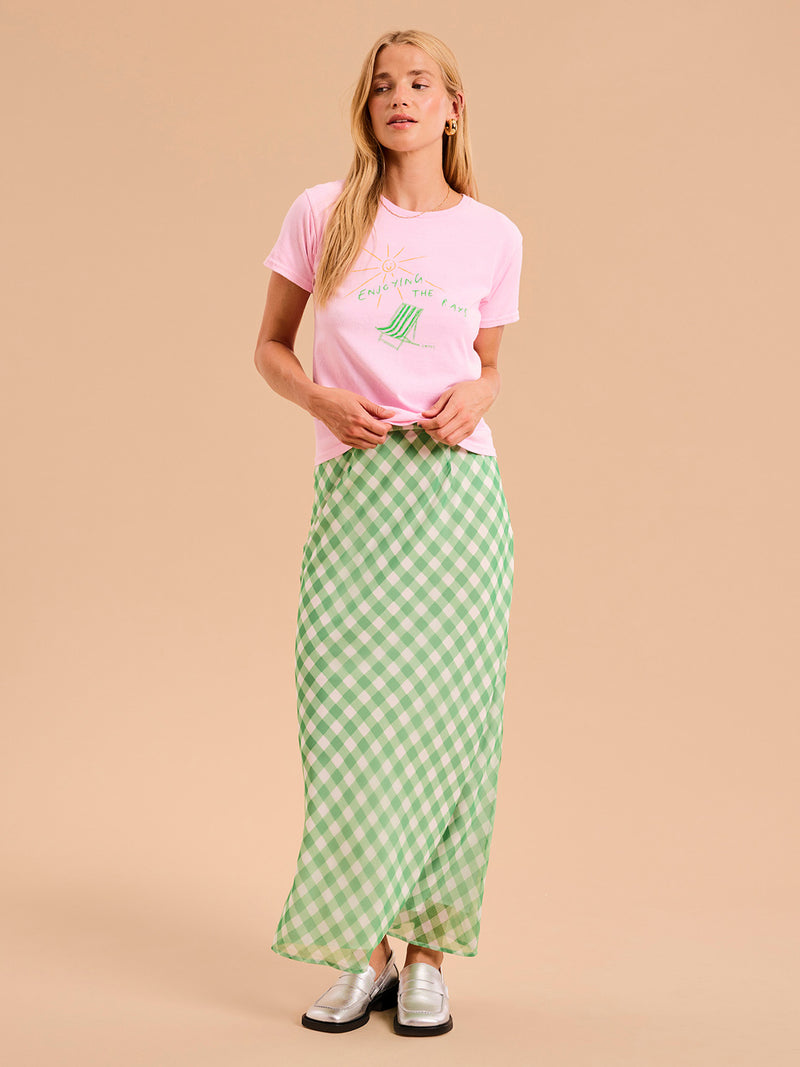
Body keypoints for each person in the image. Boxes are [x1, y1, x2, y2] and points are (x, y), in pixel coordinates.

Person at [253, 28, 523, 1037]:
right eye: (381, 86)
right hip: (357, 497)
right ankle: (362, 951)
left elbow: (486, 364)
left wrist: (480, 391)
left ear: (452, 107)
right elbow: (269, 346)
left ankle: (427, 959)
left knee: (453, 732)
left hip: (456, 503)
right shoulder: (322, 212)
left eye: (418, 83)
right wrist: (320, 400)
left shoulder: (493, 234)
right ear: (366, 108)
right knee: (348, 725)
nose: (398, 97)